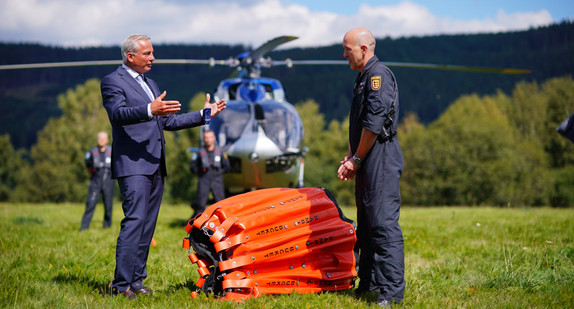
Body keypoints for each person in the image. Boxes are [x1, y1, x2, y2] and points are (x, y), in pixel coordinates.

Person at [101, 34, 226, 300]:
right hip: (133, 165)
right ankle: (120, 284)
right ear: (130, 56)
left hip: (156, 164)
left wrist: (204, 115)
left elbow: (167, 122)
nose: (153, 58)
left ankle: (136, 282)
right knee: (134, 222)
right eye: (147, 54)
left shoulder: (150, 83)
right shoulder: (113, 81)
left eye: (152, 53)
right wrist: (149, 109)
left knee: (147, 226)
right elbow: (118, 115)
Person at [337, 27, 405, 306]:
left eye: (347, 49)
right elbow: (359, 124)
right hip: (367, 159)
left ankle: (390, 293)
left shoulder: (378, 76)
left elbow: (374, 124)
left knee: (383, 226)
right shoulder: (363, 78)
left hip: (381, 160)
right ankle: (367, 286)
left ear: (364, 50)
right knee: (365, 226)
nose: (344, 55)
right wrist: (351, 156)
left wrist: (356, 159)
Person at [190, 129, 230, 217]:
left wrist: (220, 172)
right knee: (200, 204)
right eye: (206, 138)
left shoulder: (220, 152)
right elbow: (193, 167)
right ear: (204, 139)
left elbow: (227, 167)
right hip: (204, 179)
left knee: (221, 204)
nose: (208, 139)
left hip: (217, 179)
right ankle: (198, 225)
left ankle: (223, 224)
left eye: (209, 137)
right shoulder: (199, 152)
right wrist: (199, 173)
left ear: (214, 138)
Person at [80, 131, 114, 230]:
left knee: (108, 205)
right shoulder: (91, 152)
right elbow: (87, 166)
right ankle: (84, 227)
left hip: (108, 180)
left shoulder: (112, 151)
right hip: (95, 180)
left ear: (107, 140)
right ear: (97, 139)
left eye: (104, 138)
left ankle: (107, 226)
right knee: (90, 203)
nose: (102, 140)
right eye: (100, 138)